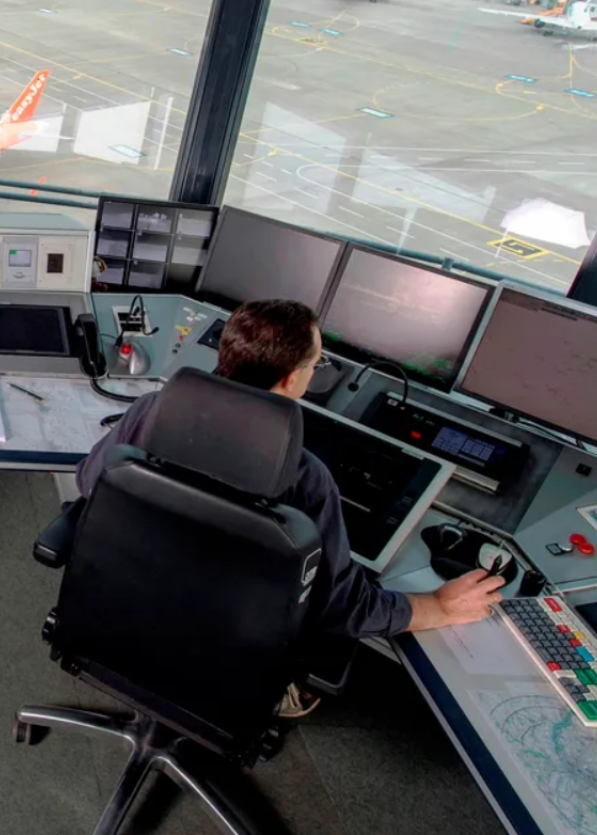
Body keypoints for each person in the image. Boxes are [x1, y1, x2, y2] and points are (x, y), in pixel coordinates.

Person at [75, 299, 504, 710]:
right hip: (221, 647)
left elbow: (89, 480)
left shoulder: (152, 409)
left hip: (123, 613)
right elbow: (343, 607)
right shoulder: (306, 477)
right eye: (313, 365)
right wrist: (440, 606)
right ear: (290, 380)